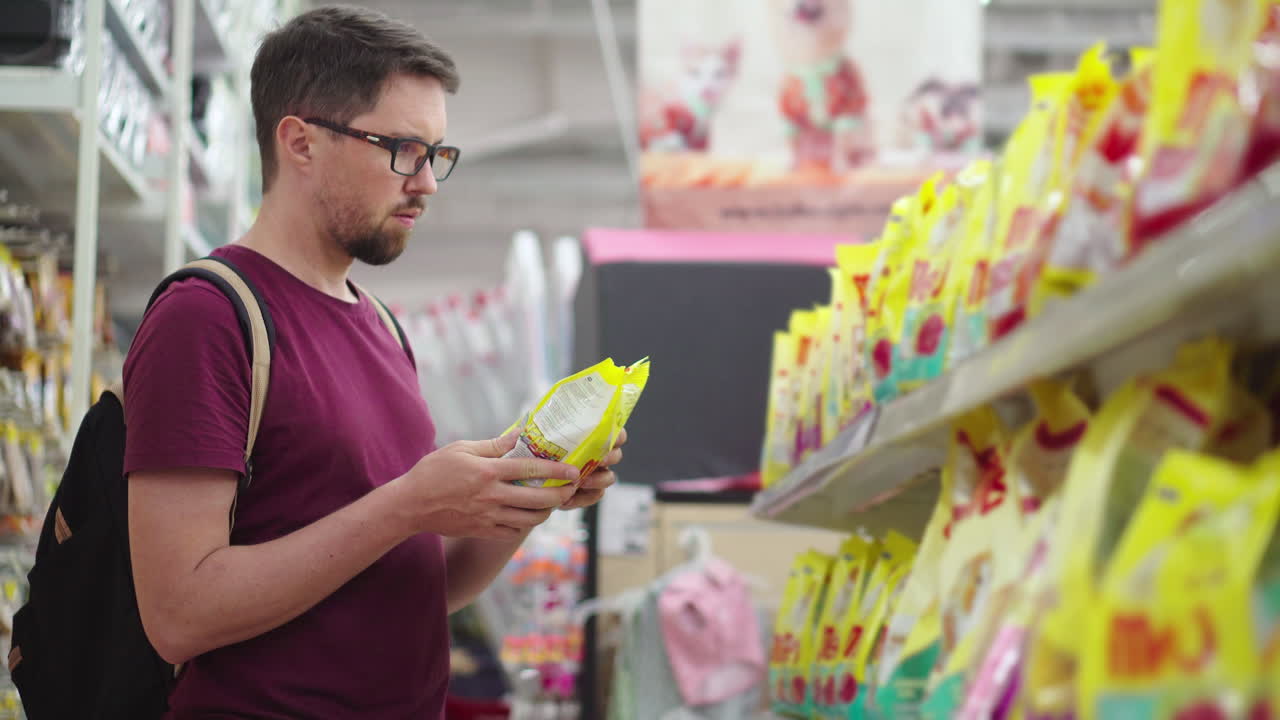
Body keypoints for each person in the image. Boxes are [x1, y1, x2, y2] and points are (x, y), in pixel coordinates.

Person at [123, 6, 622, 718]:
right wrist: (409, 503)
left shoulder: (382, 326)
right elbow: (179, 615)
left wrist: (524, 493)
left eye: (436, 154)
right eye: (402, 149)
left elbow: (417, 584)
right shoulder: (208, 317)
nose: (426, 182)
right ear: (300, 143)